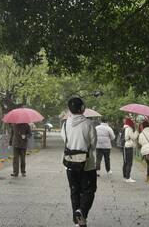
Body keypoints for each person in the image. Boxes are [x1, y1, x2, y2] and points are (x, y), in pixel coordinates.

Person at [61, 97, 97, 227]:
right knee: (89, 190)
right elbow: (93, 144)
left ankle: (77, 221)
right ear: (82, 108)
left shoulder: (65, 124)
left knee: (74, 191)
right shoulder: (88, 124)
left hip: (70, 163)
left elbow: (64, 140)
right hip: (87, 164)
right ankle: (82, 212)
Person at [122, 118, 139, 183]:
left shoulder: (125, 128)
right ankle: (128, 177)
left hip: (125, 146)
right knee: (129, 162)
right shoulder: (129, 129)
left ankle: (125, 176)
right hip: (129, 146)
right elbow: (133, 137)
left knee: (125, 162)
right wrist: (137, 131)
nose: (133, 123)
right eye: (132, 122)